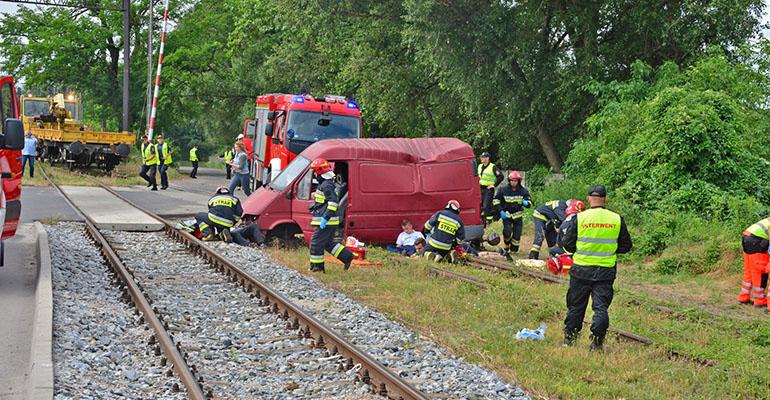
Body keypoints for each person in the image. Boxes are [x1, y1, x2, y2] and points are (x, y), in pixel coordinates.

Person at [561, 186, 632, 351]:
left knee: (576, 306)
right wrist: (609, 250)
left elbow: (567, 244)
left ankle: (569, 339)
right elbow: (626, 246)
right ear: (605, 199)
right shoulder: (616, 219)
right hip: (605, 271)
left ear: (588, 199)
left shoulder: (580, 218)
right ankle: (597, 343)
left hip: (581, 270)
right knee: (601, 307)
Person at [307, 158, 354, 272]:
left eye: (315, 171)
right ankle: (347, 257)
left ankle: (317, 268)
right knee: (328, 243)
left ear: (319, 172)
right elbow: (325, 201)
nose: (314, 174)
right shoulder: (325, 183)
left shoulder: (326, 185)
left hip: (327, 220)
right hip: (327, 219)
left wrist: (325, 218)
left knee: (316, 243)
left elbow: (333, 203)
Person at [493, 170, 532, 259]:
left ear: (519, 181)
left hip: (518, 216)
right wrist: (501, 211)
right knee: (507, 231)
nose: (513, 182)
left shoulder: (523, 191)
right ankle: (506, 245)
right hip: (507, 215)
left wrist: (526, 202)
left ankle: (514, 250)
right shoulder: (503, 190)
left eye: (515, 180)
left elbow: (529, 203)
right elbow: (496, 200)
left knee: (517, 236)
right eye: (512, 180)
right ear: (509, 181)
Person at [737, 217, 770, 309]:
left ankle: (744, 297)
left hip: (747, 238)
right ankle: (759, 301)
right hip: (756, 241)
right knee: (760, 271)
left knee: (749, 270)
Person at [477, 151, 503, 225]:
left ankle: (488, 222)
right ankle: (482, 222)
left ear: (487, 158)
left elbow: (501, 176)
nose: (482, 158)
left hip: (488, 189)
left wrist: (494, 185)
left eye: (483, 157)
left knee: (486, 206)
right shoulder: (479, 166)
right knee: (480, 205)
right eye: (481, 157)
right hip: (480, 188)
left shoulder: (492, 167)